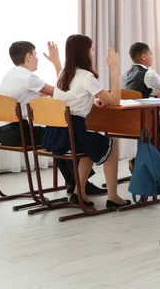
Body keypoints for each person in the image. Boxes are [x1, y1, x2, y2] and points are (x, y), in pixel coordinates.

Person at [0, 41, 105, 196]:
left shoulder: (12, 74)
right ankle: (81, 185)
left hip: (2, 133)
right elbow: (62, 91)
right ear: (28, 56)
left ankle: (73, 183)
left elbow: (52, 93)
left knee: (57, 136)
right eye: (35, 55)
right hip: (17, 132)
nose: (37, 59)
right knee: (61, 137)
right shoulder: (29, 78)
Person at [42, 34, 129, 208]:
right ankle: (112, 197)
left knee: (91, 144)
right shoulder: (87, 77)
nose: (93, 53)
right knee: (111, 144)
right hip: (73, 136)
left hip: (54, 135)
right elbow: (115, 100)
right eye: (91, 49)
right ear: (84, 53)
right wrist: (114, 69)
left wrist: (92, 100)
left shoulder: (62, 75)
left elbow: (71, 99)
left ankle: (79, 191)